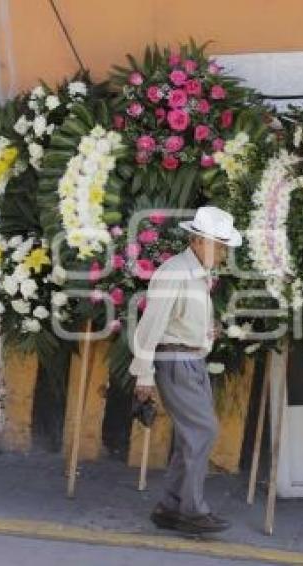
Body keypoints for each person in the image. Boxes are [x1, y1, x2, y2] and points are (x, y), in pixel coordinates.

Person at [129, 206, 241, 535]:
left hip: (189, 360)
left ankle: (171, 506)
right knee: (202, 432)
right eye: (218, 246)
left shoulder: (192, 273)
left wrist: (206, 332)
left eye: (224, 247)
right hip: (175, 362)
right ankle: (191, 509)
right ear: (197, 240)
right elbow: (151, 325)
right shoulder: (175, 272)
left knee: (193, 435)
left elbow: (177, 320)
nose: (222, 254)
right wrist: (144, 376)